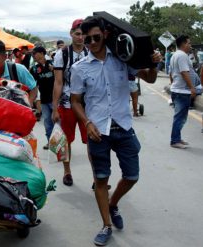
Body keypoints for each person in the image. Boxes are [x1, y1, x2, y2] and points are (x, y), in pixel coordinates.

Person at [69, 16, 161, 246]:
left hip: (124, 127)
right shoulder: (79, 68)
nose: (91, 42)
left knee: (132, 176)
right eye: (86, 38)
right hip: (98, 131)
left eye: (96, 37)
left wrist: (154, 63)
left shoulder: (122, 58)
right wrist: (87, 123)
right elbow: (75, 101)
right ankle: (106, 224)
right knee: (101, 179)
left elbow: (149, 78)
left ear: (105, 35)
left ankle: (113, 203)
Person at [52, 19, 88, 186]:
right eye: (77, 33)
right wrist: (54, 108)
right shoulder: (62, 54)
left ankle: (98, 176)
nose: (81, 37)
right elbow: (58, 82)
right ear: (71, 34)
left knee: (93, 140)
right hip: (67, 104)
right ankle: (67, 171)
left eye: (83, 34)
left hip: (88, 104)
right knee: (66, 140)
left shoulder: (91, 52)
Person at [169, 35, 196, 149]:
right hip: (182, 91)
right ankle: (175, 140)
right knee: (180, 117)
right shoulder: (182, 56)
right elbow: (184, 72)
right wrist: (192, 88)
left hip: (177, 89)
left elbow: (171, 73)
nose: (190, 45)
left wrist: (172, 85)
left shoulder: (175, 55)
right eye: (189, 43)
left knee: (181, 117)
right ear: (183, 44)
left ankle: (177, 138)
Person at [30, 46, 55, 149]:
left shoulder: (54, 63)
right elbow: (31, 84)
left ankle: (60, 143)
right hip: (44, 100)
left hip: (56, 100)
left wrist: (55, 70)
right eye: (33, 55)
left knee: (58, 122)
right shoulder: (35, 69)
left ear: (42, 53)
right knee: (48, 123)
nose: (34, 56)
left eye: (35, 54)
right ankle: (50, 142)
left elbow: (62, 79)